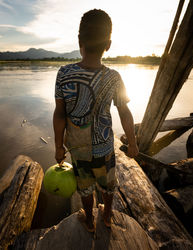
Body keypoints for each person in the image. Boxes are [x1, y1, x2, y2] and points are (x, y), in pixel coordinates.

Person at [53, 9, 139, 232]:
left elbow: (60, 114)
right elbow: (124, 112)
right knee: (107, 185)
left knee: (85, 187)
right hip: (104, 147)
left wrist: (58, 146)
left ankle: (90, 221)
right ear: (108, 44)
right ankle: (108, 216)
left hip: (79, 148)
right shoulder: (114, 77)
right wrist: (133, 142)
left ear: (79, 40)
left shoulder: (64, 74)